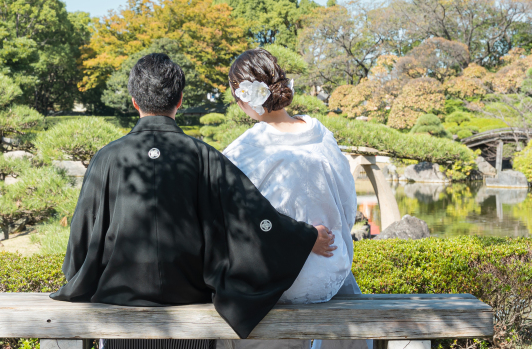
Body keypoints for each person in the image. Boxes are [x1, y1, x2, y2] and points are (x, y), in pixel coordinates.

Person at [51, 53, 337, 347]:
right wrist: (304, 237)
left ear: (134, 102)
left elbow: (81, 238)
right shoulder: (204, 156)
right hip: (191, 309)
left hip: (119, 311)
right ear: (180, 100)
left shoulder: (107, 158)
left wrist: (79, 279)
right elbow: (253, 218)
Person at [221, 48, 368, 349]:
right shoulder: (323, 135)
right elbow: (347, 206)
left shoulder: (245, 149)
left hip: (277, 279)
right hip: (329, 271)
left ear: (244, 97)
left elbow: (230, 223)